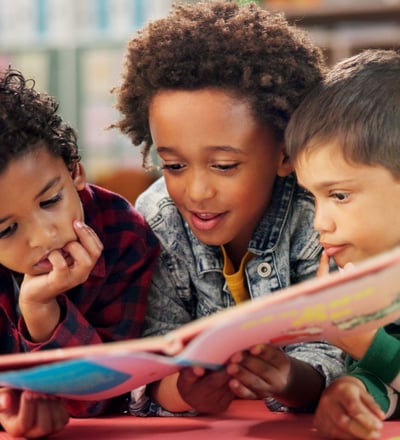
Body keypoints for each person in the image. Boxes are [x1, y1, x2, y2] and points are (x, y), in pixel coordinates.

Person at [113, 0, 344, 418]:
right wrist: (183, 394)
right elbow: (153, 355)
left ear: (285, 153)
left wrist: (290, 380)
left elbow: (335, 350)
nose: (197, 191)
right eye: (174, 166)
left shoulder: (319, 216)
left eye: (224, 166)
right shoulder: (157, 219)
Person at [0, 68, 160, 438]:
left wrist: (42, 310)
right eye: (7, 229)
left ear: (75, 172)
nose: (45, 236)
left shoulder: (125, 235)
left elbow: (105, 394)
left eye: (51, 200)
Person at [285, 48, 400, 439]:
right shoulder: (373, 276)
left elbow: (385, 356)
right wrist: (352, 393)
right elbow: (388, 384)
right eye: (312, 198)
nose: (319, 221)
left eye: (339, 196)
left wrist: (366, 341)